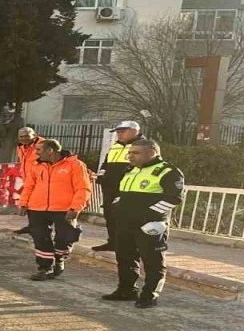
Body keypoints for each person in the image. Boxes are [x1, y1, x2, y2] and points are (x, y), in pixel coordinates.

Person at [103, 139, 184, 309]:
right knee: (125, 258)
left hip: (150, 225)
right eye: (130, 152)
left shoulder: (168, 171)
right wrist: (117, 207)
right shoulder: (131, 170)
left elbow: (174, 198)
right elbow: (121, 194)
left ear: (150, 153)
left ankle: (149, 295)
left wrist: (147, 215)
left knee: (153, 261)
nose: (129, 156)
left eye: (135, 153)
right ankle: (126, 290)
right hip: (125, 223)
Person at [17, 139, 91, 280]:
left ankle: (59, 259)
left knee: (65, 237)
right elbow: (29, 186)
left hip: (65, 209)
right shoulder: (36, 166)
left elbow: (83, 188)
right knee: (40, 238)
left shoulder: (75, 165)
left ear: (50, 150)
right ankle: (45, 268)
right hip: (37, 208)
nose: (36, 152)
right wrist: (23, 203)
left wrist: (76, 207)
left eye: (39, 150)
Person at [92, 120, 147, 251]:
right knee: (109, 214)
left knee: (123, 216)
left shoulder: (143, 146)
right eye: (117, 132)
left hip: (127, 188)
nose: (119, 134)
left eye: (122, 131)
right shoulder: (115, 145)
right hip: (110, 186)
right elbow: (106, 164)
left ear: (134, 131)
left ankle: (126, 245)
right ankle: (113, 242)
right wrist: (101, 177)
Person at [11, 127, 44, 234]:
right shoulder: (20, 147)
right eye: (21, 136)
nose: (24, 138)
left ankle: (40, 228)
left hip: (41, 179)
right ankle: (32, 226)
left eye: (27, 136)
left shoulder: (43, 145)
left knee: (38, 204)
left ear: (34, 135)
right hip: (28, 179)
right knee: (29, 203)